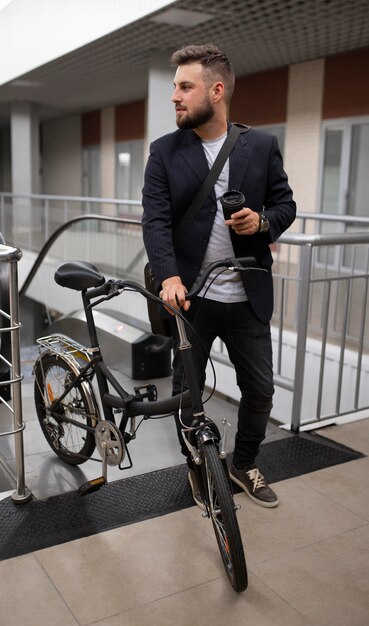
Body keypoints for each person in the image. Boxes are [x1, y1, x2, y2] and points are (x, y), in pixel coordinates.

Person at [141, 43, 296, 508]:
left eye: (185, 87)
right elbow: (156, 221)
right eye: (175, 87)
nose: (175, 96)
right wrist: (168, 277)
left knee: (261, 392)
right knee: (187, 394)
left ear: (217, 90)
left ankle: (243, 462)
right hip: (190, 298)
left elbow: (285, 203)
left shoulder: (261, 146)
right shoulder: (164, 152)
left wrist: (263, 222)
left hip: (247, 294)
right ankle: (198, 465)